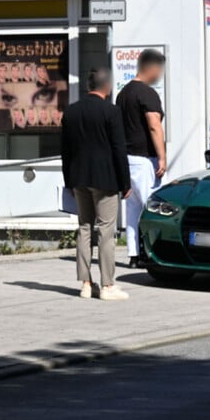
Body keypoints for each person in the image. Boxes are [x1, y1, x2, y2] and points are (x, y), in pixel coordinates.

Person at [61, 69, 131, 300]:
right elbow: (119, 150)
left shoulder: (71, 112)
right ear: (107, 87)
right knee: (105, 231)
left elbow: (65, 151)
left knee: (84, 228)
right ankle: (108, 285)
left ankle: (86, 284)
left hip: (79, 178)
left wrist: (69, 181)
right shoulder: (111, 112)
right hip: (106, 179)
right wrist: (125, 182)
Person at [116, 49, 167, 268]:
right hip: (145, 159)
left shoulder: (123, 94)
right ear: (152, 68)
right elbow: (154, 126)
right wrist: (162, 157)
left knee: (133, 208)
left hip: (126, 159)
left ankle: (134, 255)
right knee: (152, 207)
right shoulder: (147, 94)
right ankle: (150, 252)